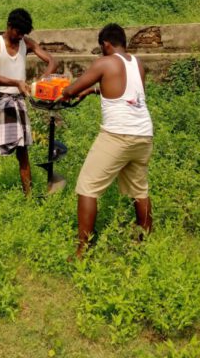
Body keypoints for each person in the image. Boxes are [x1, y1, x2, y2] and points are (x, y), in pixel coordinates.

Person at [59, 23, 154, 258]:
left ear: (106, 44)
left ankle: (83, 249)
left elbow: (71, 90)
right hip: (143, 135)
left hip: (117, 135)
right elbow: (128, 92)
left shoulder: (104, 62)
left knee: (87, 187)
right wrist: (92, 92)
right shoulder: (137, 63)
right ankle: (145, 240)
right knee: (139, 190)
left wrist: (65, 91)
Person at [0, 8, 57, 215]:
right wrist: (16, 82)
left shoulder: (25, 43)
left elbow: (52, 61)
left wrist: (41, 80)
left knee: (23, 152)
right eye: (18, 33)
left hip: (18, 101)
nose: (20, 37)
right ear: (9, 26)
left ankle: (28, 201)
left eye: (23, 34)